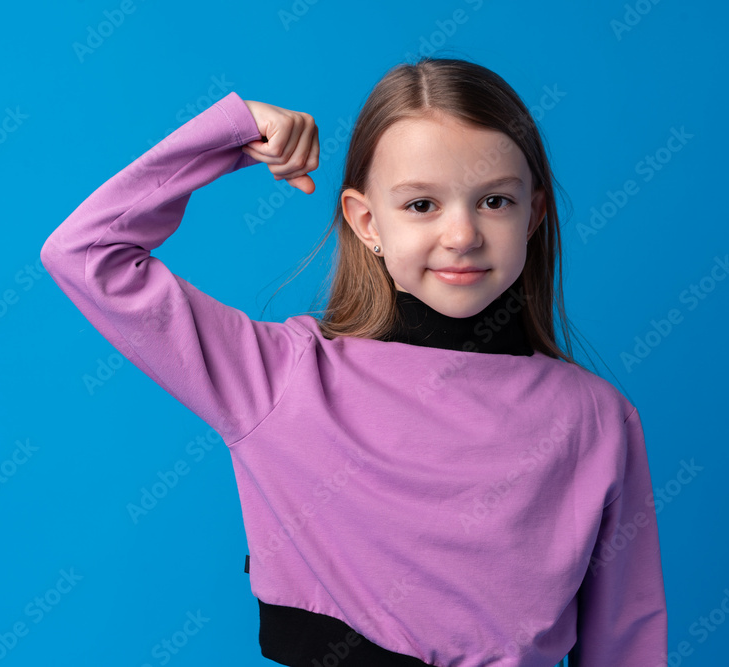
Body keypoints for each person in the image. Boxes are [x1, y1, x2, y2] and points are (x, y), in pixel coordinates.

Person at [39, 57, 667, 666]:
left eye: (495, 201)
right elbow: (86, 252)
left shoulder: (597, 419)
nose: (462, 235)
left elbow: (627, 641)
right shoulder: (278, 377)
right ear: (367, 222)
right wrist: (230, 134)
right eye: (422, 204)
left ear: (532, 216)